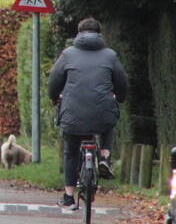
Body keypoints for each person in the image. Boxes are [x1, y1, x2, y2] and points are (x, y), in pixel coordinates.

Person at [47, 17, 128, 210]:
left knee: (70, 150)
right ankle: (105, 157)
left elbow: (54, 80)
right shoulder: (110, 55)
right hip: (102, 112)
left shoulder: (68, 55)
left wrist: (54, 98)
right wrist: (120, 98)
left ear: (78, 33)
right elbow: (122, 81)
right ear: (99, 34)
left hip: (72, 112)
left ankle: (68, 197)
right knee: (108, 119)